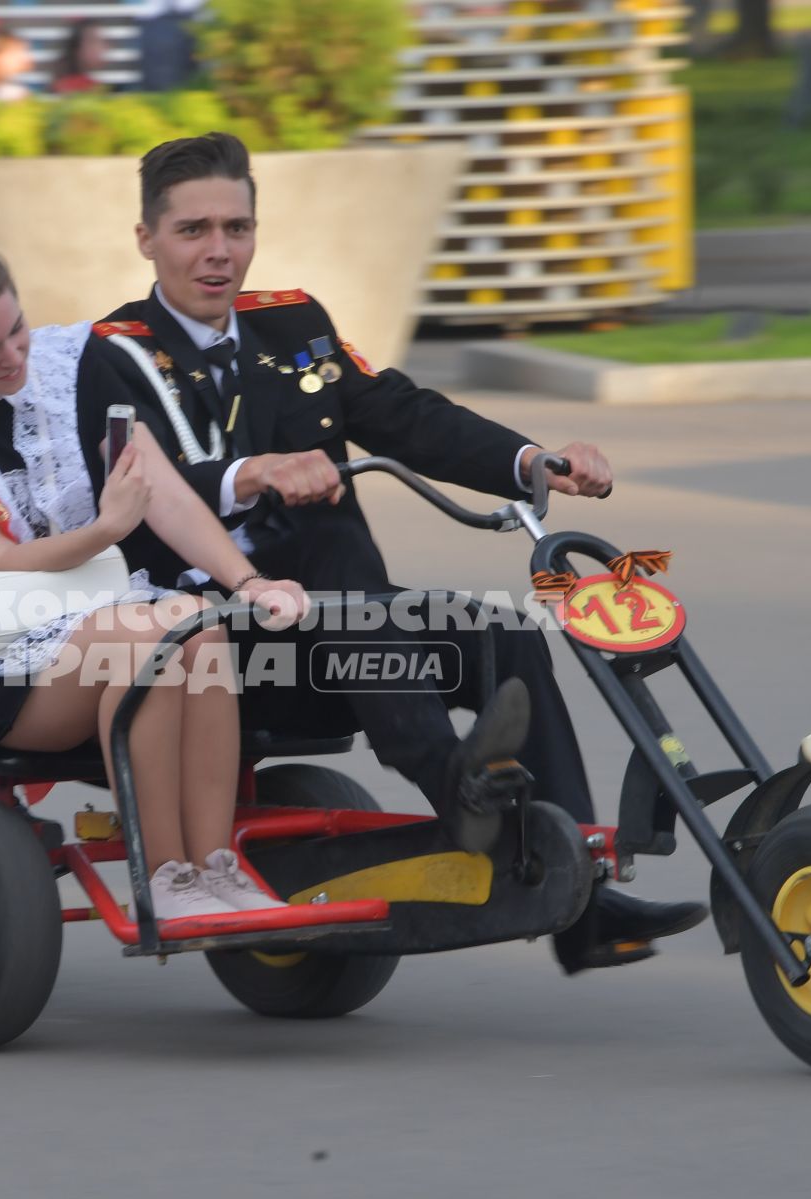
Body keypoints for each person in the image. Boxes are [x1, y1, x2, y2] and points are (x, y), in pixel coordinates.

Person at [92, 133, 708, 971]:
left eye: (236, 228)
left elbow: (403, 415)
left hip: (344, 640)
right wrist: (251, 474)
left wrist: (531, 462)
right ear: (147, 239)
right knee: (332, 547)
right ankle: (460, 796)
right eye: (193, 230)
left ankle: (578, 896)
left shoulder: (293, 321)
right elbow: (137, 500)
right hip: (213, 650)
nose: (218, 251)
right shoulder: (114, 355)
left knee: (505, 638)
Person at [0, 235, 370, 920]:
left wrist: (247, 582)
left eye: (14, 330)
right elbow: (2, 563)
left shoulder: (74, 363)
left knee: (203, 630)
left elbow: (161, 492)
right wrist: (106, 530)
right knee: (148, 643)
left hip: (106, 605)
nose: (12, 357)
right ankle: (164, 877)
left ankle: (218, 866)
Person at [50, 19, 110, 94]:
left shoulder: (98, 87)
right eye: (93, 42)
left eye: (103, 41)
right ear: (77, 48)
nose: (103, 47)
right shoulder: (68, 87)